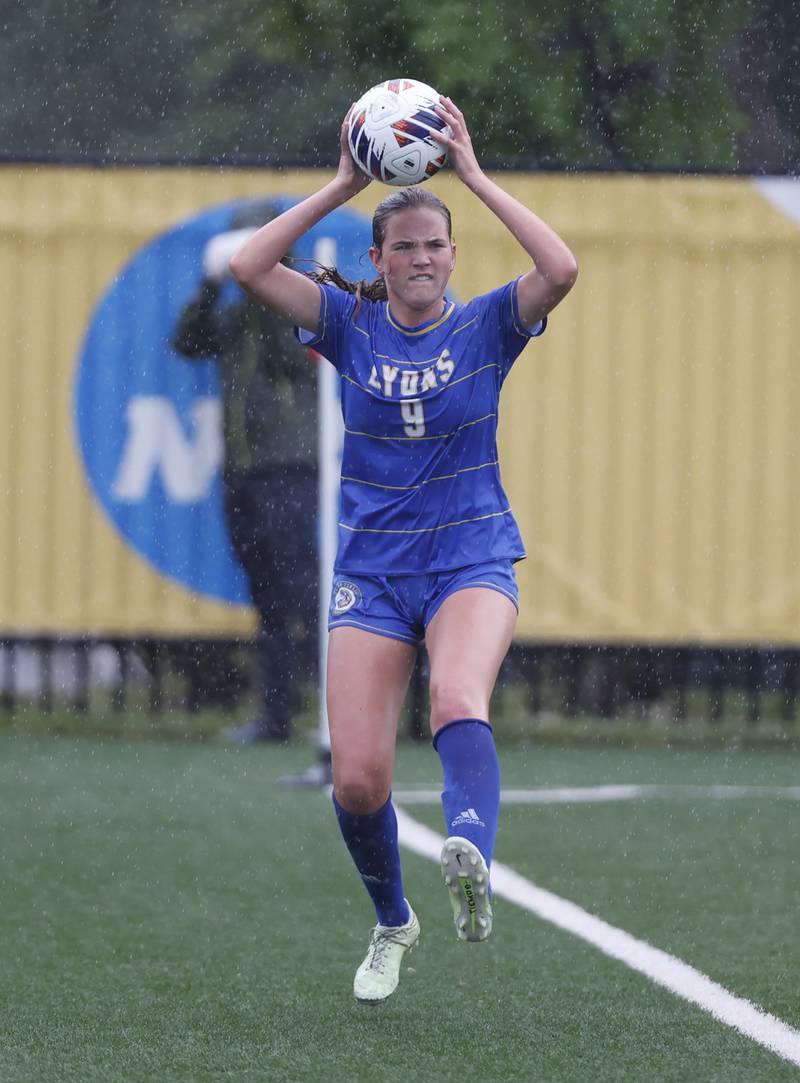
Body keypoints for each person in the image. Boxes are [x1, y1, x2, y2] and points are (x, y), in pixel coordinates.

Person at [230, 97, 578, 1002]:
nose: (422, 260)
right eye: (405, 248)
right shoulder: (348, 324)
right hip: (375, 575)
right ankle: (394, 918)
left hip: (470, 556)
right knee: (356, 779)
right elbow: (248, 264)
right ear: (377, 261)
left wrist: (473, 175)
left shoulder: (490, 323)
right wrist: (344, 182)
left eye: (435, 245)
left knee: (459, 694)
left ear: (454, 256)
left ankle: (470, 850)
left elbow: (562, 266)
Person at [173, 200, 318, 743]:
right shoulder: (233, 319)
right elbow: (186, 343)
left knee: (306, 591)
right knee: (268, 597)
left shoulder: (298, 310)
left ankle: (342, 714)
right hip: (245, 471)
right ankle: (277, 716)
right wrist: (211, 285)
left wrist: (266, 281)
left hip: (292, 468)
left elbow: (289, 356)